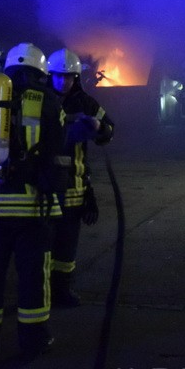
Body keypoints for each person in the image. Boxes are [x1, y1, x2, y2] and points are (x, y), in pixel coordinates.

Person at [0, 42, 70, 363]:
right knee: (33, 277)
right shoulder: (49, 100)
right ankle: (34, 342)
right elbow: (57, 150)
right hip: (32, 208)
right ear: (40, 70)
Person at [46, 47, 115, 308]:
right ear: (49, 75)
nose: (64, 82)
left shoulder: (86, 103)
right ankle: (40, 291)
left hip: (74, 187)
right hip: (44, 185)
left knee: (66, 246)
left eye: (69, 77)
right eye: (59, 76)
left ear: (76, 78)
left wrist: (99, 128)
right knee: (42, 245)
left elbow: (109, 129)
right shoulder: (40, 101)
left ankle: (62, 290)